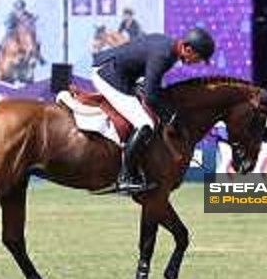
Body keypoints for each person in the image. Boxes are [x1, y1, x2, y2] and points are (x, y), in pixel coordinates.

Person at [91, 27, 215, 194]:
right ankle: (126, 177)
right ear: (188, 49)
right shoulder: (164, 55)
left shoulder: (167, 44)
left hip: (119, 73)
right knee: (145, 124)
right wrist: (170, 116)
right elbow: (150, 96)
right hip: (107, 74)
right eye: (198, 58)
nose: (197, 63)